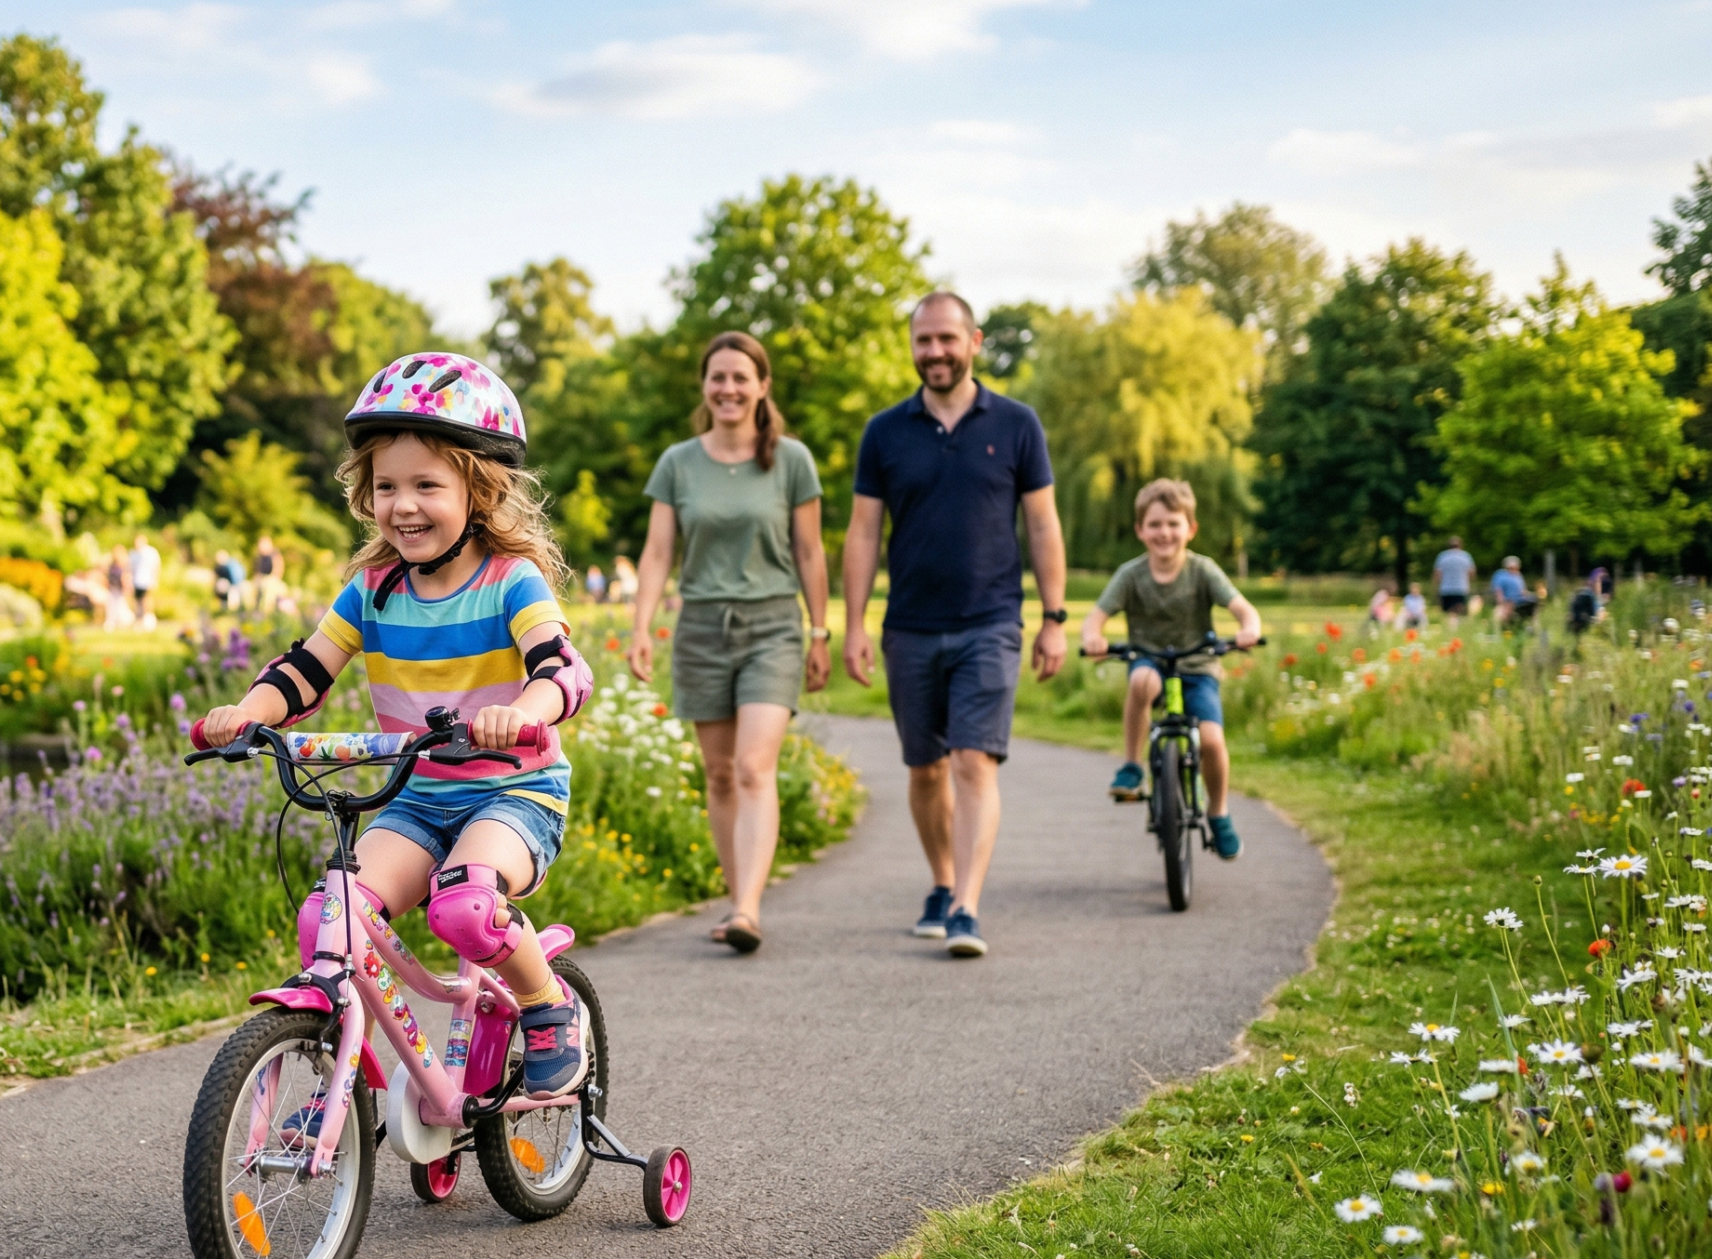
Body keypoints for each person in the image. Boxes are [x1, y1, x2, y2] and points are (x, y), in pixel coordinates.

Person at [196, 351, 596, 1104]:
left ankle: (547, 1007)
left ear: (477, 492)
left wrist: (524, 713)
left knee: (468, 906)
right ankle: (340, 1072)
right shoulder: (372, 589)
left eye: (425, 485)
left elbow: (562, 670)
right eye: (386, 486)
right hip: (418, 799)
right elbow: (307, 670)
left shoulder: (511, 579)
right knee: (330, 918)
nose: (402, 505)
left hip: (513, 793)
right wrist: (249, 714)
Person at [841, 291, 1068, 959]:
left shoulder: (1019, 424)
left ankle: (966, 906)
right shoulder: (885, 431)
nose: (935, 351)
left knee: (974, 760)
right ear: (912, 347)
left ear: (975, 341)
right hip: (909, 623)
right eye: (923, 340)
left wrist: (1054, 618)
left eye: (947, 338)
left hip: (991, 620)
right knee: (925, 769)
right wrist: (853, 625)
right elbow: (862, 532)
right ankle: (942, 881)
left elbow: (1044, 523)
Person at [627, 332, 831, 955]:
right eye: (718, 377)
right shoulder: (678, 462)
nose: (729, 388)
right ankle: (735, 897)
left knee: (751, 766)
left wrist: (821, 630)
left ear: (762, 385)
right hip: (701, 629)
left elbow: (808, 550)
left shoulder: (791, 460)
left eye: (742, 377)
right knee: (718, 774)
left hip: (773, 625)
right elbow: (659, 551)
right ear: (705, 386)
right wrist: (640, 626)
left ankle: (747, 908)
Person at [1081, 480, 1263, 859]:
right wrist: (1093, 637)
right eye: (1155, 524)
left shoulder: (1203, 571)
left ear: (1190, 529)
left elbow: (1243, 608)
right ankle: (1132, 766)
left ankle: (1219, 812)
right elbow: (1095, 617)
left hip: (1198, 665)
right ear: (1140, 530)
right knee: (1142, 681)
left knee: (1211, 740)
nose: (1164, 533)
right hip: (1150, 659)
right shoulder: (1131, 575)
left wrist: (1249, 629)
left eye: (1173, 524)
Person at [1433, 536, 1475, 623]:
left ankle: (1451, 629)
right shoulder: (1466, 556)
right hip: (1461, 588)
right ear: (1460, 545)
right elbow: (1472, 573)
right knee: (1460, 611)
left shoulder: (1442, 557)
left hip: (1446, 589)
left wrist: (1438, 585)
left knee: (1449, 613)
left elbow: (1437, 574)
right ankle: (1458, 630)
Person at [129, 536, 163, 630]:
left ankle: (148, 620)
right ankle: (138, 621)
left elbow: (156, 566)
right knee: (137, 602)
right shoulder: (133, 553)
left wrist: (154, 579)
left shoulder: (151, 552)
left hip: (147, 580)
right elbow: (130, 568)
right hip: (136, 581)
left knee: (147, 600)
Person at [1491, 555, 1533, 624]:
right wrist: (1501, 602)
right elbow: (1498, 590)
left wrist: (1529, 595)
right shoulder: (1501, 575)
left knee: (1533, 603)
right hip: (1508, 600)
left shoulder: (1518, 576)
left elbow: (1523, 591)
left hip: (1520, 600)